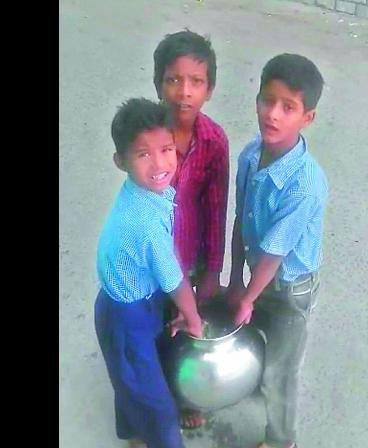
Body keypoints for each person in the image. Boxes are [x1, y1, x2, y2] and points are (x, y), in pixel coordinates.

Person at [226, 54, 328, 448]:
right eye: (267, 100)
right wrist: (236, 280)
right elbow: (241, 218)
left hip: (289, 287)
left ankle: (281, 438)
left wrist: (248, 295)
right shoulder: (251, 155)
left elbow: (275, 254)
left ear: (308, 118)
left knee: (280, 373)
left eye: (288, 107)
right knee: (252, 338)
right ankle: (254, 382)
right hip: (258, 273)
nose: (273, 114)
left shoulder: (305, 184)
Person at [95, 97, 202, 448]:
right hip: (125, 314)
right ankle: (157, 438)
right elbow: (173, 278)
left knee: (131, 377)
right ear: (120, 161)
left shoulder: (147, 194)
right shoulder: (143, 222)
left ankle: (132, 432)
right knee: (153, 400)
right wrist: (194, 318)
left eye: (166, 149)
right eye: (143, 155)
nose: (159, 164)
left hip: (136, 296)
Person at [152, 29, 229, 430]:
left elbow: (216, 208)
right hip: (151, 257)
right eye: (174, 79)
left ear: (209, 89)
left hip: (191, 257)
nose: (184, 91)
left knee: (187, 325)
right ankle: (151, 403)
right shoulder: (147, 136)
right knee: (153, 330)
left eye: (195, 82)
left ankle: (185, 398)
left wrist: (213, 270)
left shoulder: (214, 141)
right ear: (158, 83)